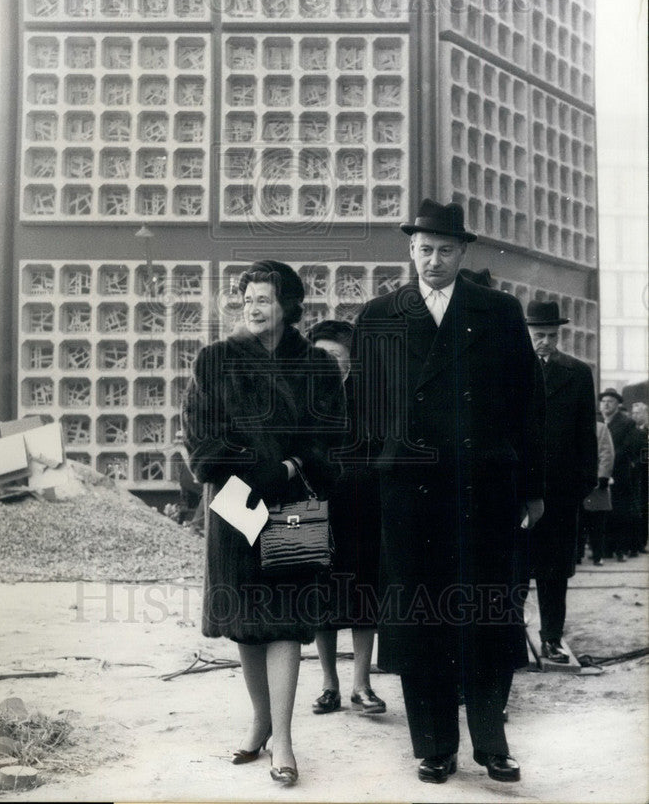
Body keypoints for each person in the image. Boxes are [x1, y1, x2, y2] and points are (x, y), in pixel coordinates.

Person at [347, 199, 545, 785]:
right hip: (409, 493)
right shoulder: (379, 314)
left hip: (483, 491)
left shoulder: (499, 312)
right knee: (420, 620)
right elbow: (361, 409)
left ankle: (492, 743)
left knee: (489, 612)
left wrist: (532, 488)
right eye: (424, 249)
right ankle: (434, 747)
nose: (433, 260)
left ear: (464, 253)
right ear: (410, 250)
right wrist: (368, 482)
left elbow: (528, 406)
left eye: (445, 250)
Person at [182, 260, 345, 787]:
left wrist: (292, 466)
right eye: (247, 297)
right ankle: (260, 722)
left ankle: (285, 740)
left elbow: (331, 440)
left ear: (290, 307)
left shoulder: (317, 366)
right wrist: (255, 469)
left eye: (266, 299)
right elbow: (201, 437)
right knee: (246, 624)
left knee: (288, 622)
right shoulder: (214, 361)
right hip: (232, 503)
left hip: (294, 501)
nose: (253, 306)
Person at [307, 320, 385, 717]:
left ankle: (361, 684)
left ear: (351, 356)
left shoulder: (372, 395)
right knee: (322, 595)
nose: (330, 363)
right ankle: (328, 685)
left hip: (363, 505)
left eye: (336, 355)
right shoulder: (304, 396)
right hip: (316, 506)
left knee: (364, 591)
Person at [524, 300, 598, 663]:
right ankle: (511, 641)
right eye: (539, 335)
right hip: (520, 490)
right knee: (516, 569)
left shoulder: (578, 373)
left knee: (555, 571)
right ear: (527, 334)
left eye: (552, 336)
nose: (546, 343)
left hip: (562, 491)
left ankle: (551, 639)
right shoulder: (510, 370)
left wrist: (582, 484)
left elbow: (587, 434)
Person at [600, 388, 644, 562]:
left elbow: (627, 448)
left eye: (610, 401)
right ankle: (606, 548)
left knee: (620, 512)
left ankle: (621, 548)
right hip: (601, 473)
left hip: (619, 474)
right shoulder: (598, 420)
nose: (606, 404)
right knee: (604, 512)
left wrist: (608, 460)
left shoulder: (626, 423)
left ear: (618, 404)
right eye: (603, 401)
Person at [578, 421, 614, 565]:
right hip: (575, 482)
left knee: (596, 521)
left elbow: (607, 453)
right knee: (577, 522)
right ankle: (577, 554)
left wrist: (603, 476)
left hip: (595, 483)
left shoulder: (600, 428)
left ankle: (598, 554)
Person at [630, 402, 648, 554]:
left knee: (643, 508)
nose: (634, 416)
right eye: (633, 413)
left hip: (644, 474)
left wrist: (635, 464)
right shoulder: (629, 430)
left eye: (638, 413)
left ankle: (641, 542)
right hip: (634, 475)